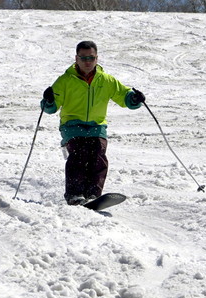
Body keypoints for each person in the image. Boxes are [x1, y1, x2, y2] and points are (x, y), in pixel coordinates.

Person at [41, 41, 145, 205]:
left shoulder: (106, 80)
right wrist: (48, 100)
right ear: (76, 58)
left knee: (98, 153)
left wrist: (134, 99)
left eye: (91, 57)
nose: (87, 61)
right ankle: (75, 194)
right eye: (83, 58)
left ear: (97, 58)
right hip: (72, 125)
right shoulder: (65, 80)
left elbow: (124, 96)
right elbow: (51, 107)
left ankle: (93, 195)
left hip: (97, 126)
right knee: (80, 153)